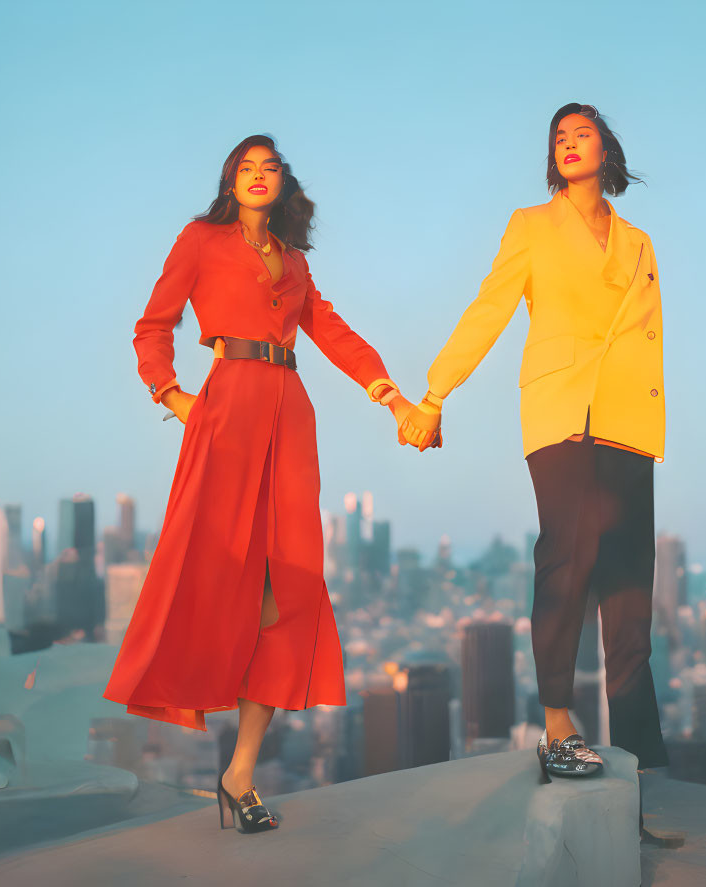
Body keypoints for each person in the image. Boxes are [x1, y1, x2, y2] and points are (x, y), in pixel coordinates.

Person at [103, 135, 414, 834]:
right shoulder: (201, 240)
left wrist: (388, 394)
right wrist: (172, 394)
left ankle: (239, 772)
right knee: (217, 576)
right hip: (227, 409)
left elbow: (332, 332)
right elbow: (153, 325)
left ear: (282, 184)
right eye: (245, 166)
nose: (257, 175)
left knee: (288, 591)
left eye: (268, 167)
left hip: (290, 415)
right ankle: (186, 692)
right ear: (229, 181)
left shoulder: (296, 262)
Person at [401, 103, 670, 784]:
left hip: (630, 423)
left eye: (582, 134)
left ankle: (645, 756)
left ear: (606, 150)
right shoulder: (532, 226)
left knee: (630, 592)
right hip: (563, 413)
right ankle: (557, 723)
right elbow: (489, 309)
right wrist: (435, 392)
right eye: (560, 137)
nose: (569, 143)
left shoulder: (638, 241)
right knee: (567, 565)